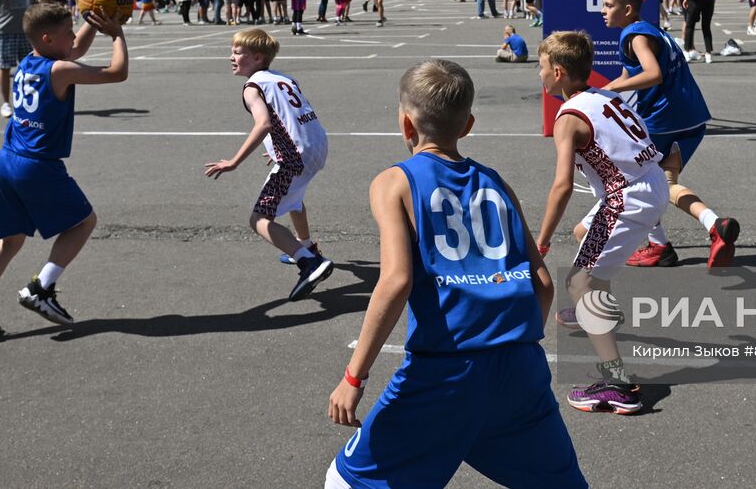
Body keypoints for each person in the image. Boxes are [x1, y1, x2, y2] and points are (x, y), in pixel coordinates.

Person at [325, 60, 585, 489]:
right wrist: (511, 341)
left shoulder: (395, 182)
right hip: (520, 364)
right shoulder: (495, 182)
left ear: (406, 124)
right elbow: (542, 283)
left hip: (446, 369)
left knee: (348, 480)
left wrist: (354, 376)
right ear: (468, 125)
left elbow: (395, 281)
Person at [0, 3, 128, 337]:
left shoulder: (28, 63)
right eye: (68, 32)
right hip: (37, 165)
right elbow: (117, 72)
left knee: (10, 241)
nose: (74, 37)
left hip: (7, 161)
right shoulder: (59, 71)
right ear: (48, 38)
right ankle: (41, 287)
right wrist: (116, 34)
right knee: (84, 222)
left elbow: (72, 49)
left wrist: (91, 20)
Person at [536, 31, 671, 415]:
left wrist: (541, 243)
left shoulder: (569, 119)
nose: (540, 75)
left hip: (626, 196)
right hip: (651, 181)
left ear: (558, 72)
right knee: (585, 236)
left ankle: (618, 385)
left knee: (579, 281)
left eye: (542, 67)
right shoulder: (604, 95)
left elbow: (561, 186)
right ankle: (597, 309)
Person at [598, 0, 738, 269]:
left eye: (609, 5)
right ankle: (715, 225)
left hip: (663, 120)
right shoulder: (652, 31)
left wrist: (608, 94)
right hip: (692, 117)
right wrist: (599, 95)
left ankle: (659, 246)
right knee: (665, 182)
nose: (603, 10)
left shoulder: (634, 35)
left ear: (626, 10)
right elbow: (628, 75)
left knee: (639, 184)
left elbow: (653, 74)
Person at [204, 28, 334, 301]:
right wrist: (279, 149)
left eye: (238, 53)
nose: (231, 57)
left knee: (259, 218)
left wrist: (234, 162)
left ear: (257, 57)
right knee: (294, 198)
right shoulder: (283, 78)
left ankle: (308, 262)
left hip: (296, 155)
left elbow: (263, 123)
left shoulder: (252, 87)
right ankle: (307, 245)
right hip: (316, 146)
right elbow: (294, 115)